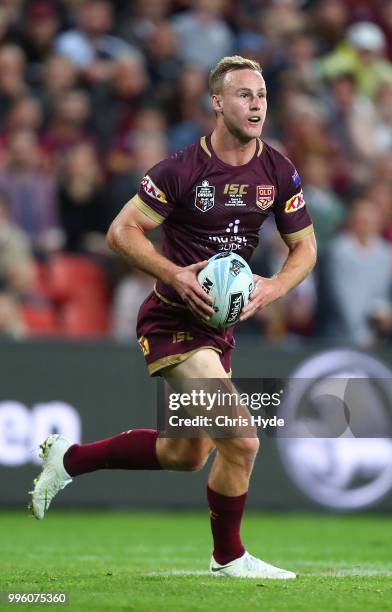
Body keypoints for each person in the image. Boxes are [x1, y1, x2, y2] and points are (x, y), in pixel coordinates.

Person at [30, 56, 317, 579]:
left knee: (184, 454)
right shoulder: (181, 170)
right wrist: (177, 274)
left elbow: (306, 248)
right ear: (217, 102)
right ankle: (229, 557)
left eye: (261, 95)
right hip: (173, 323)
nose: (256, 104)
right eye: (243, 95)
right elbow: (122, 233)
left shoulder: (278, 170)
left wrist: (275, 286)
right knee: (244, 439)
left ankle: (68, 461)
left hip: (218, 329)